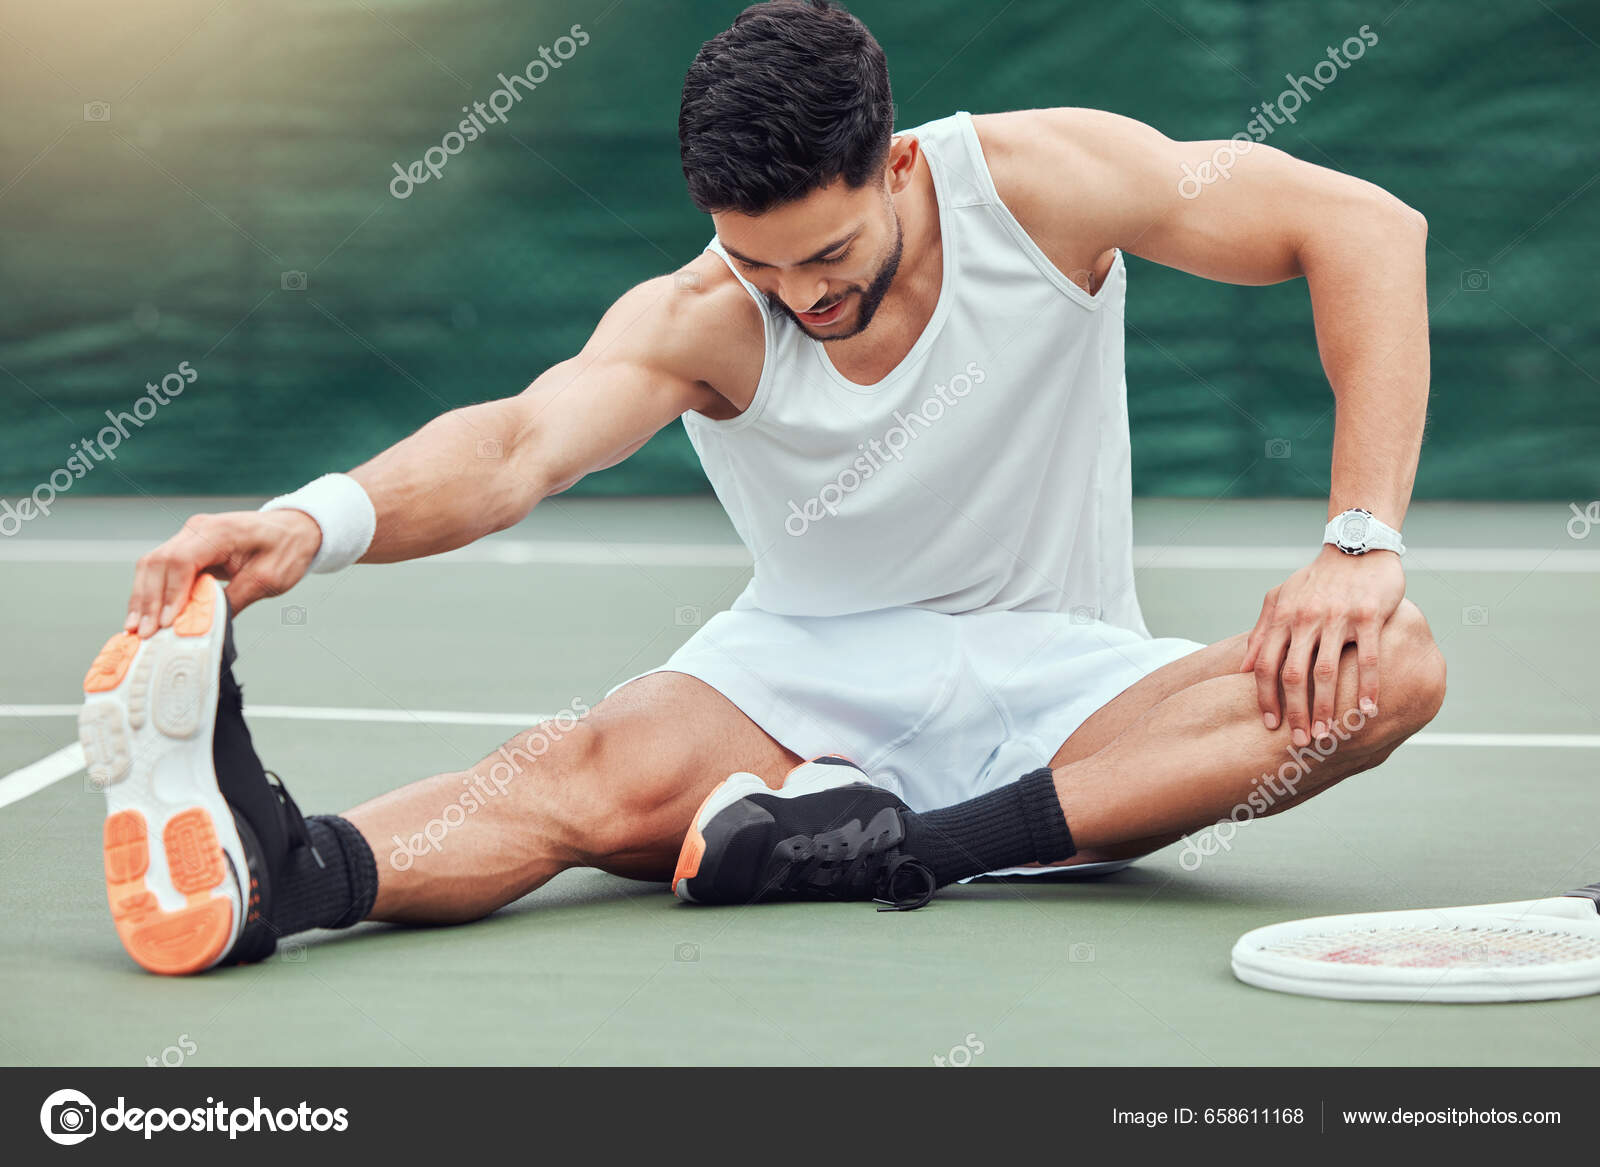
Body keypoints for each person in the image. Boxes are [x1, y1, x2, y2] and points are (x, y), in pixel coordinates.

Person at [81, 0, 1444, 974]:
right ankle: (287, 870)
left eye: (829, 253)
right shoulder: (703, 311)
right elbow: (516, 445)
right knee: (583, 771)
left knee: (1391, 671)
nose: (802, 297)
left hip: (1075, 694)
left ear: (899, 162)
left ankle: (908, 848)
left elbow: (1363, 227)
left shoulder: (1042, 185)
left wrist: (1359, 539)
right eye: (763, 263)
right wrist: (308, 525)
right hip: (794, 686)